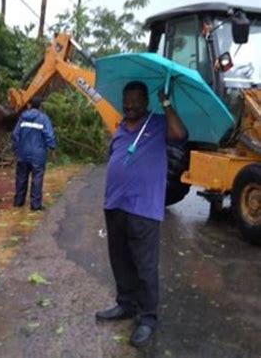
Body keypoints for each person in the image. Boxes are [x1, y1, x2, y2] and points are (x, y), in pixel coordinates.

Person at [95, 81, 187, 348]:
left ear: (146, 102)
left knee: (145, 266)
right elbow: (115, 157)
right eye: (126, 100)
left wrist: (166, 104)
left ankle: (147, 318)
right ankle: (125, 304)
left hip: (143, 208)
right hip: (115, 204)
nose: (130, 105)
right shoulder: (121, 128)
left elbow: (179, 134)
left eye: (135, 100)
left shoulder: (157, 123)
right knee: (120, 260)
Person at [12, 96, 56, 211]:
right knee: (37, 179)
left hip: (23, 154)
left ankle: (18, 202)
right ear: (40, 106)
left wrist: (16, 149)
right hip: (38, 155)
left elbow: (16, 135)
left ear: (29, 105)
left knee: (21, 178)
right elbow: (49, 135)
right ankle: (35, 206)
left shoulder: (22, 118)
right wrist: (52, 147)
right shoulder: (43, 118)